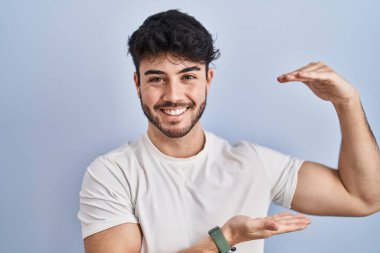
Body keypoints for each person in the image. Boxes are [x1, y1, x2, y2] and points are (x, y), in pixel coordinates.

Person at [77, 9, 380, 253]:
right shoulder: (112, 173)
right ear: (137, 84)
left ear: (209, 79)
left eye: (188, 76)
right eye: (156, 79)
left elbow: (365, 198)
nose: (173, 95)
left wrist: (347, 102)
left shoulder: (253, 163)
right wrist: (225, 239)